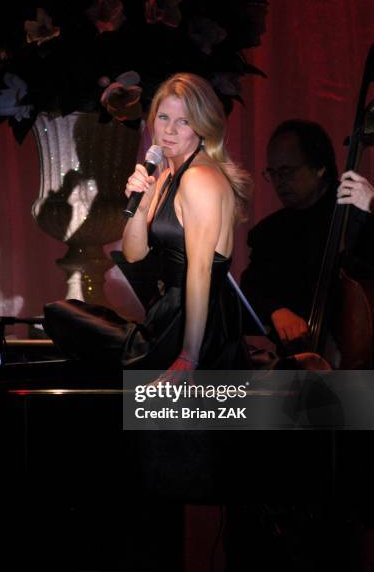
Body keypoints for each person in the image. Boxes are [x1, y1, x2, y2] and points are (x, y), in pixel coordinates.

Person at [43, 73, 253, 371]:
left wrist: (188, 356)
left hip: (193, 325)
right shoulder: (166, 175)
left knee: (67, 320)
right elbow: (134, 254)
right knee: (63, 316)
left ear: (203, 126)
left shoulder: (199, 178)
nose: (169, 130)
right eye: (164, 117)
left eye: (183, 121)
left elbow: (201, 271)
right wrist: (140, 207)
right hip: (163, 316)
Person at [240, 119, 339, 353]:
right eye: (273, 173)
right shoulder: (269, 233)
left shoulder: (356, 218)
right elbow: (252, 288)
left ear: (319, 167)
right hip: (296, 363)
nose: (278, 182)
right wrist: (276, 309)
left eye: (286, 172)